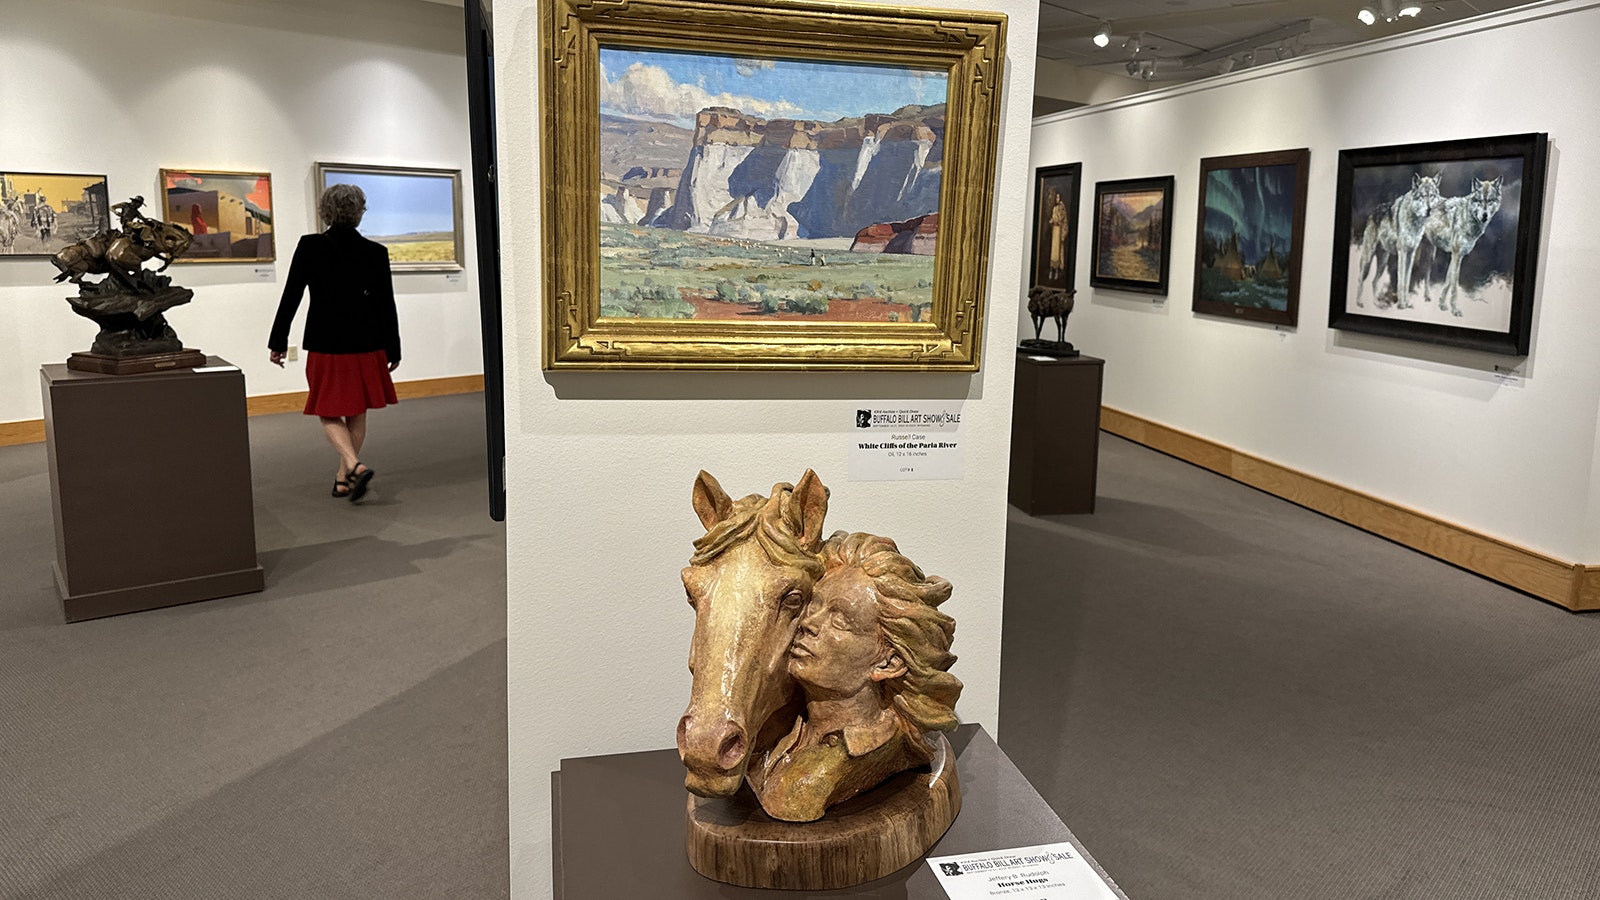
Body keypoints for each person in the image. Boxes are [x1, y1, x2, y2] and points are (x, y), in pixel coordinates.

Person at [749, 531, 962, 822]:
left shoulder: (855, 757)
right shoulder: (773, 729)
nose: (808, 623)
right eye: (813, 606)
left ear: (889, 661)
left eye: (839, 619)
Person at [267, 184, 400, 501]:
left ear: (324, 212)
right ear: (359, 212)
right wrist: (393, 348)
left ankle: (352, 466)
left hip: (327, 344)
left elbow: (292, 296)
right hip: (368, 344)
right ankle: (343, 478)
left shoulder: (311, 247)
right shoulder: (375, 253)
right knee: (357, 413)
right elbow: (386, 305)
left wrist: (278, 340)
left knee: (328, 411)